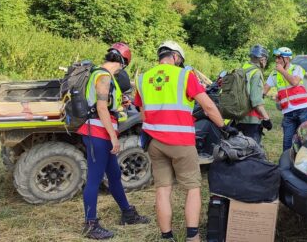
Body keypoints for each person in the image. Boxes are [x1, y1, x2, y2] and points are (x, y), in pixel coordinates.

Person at [134, 40, 238, 242]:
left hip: (154, 142)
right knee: (192, 188)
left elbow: (144, 115)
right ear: (175, 57)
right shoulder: (183, 75)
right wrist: (225, 127)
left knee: (163, 189)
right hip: (181, 142)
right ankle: (192, 236)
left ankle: (166, 237)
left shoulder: (142, 78)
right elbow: (207, 106)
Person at [78, 42, 149, 240]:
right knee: (94, 179)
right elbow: (101, 109)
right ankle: (90, 225)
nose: (120, 69)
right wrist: (113, 137)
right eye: (122, 65)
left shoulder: (102, 75)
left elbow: (107, 105)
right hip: (99, 133)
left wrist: (120, 103)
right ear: (122, 62)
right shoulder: (103, 77)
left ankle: (127, 213)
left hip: (101, 132)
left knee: (114, 174)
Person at [263, 47, 307, 152]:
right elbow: (264, 90)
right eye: (276, 58)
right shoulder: (274, 73)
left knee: (304, 140)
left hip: (303, 109)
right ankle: (286, 166)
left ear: (287, 59)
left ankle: (304, 164)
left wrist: (282, 71)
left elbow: (294, 82)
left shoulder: (297, 68)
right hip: (288, 113)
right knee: (287, 143)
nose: (277, 60)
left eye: (279, 58)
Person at [236, 44, 272, 144]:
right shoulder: (256, 72)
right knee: (253, 152)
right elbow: (256, 100)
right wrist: (266, 118)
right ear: (262, 59)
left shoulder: (242, 69)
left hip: (238, 117)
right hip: (251, 119)